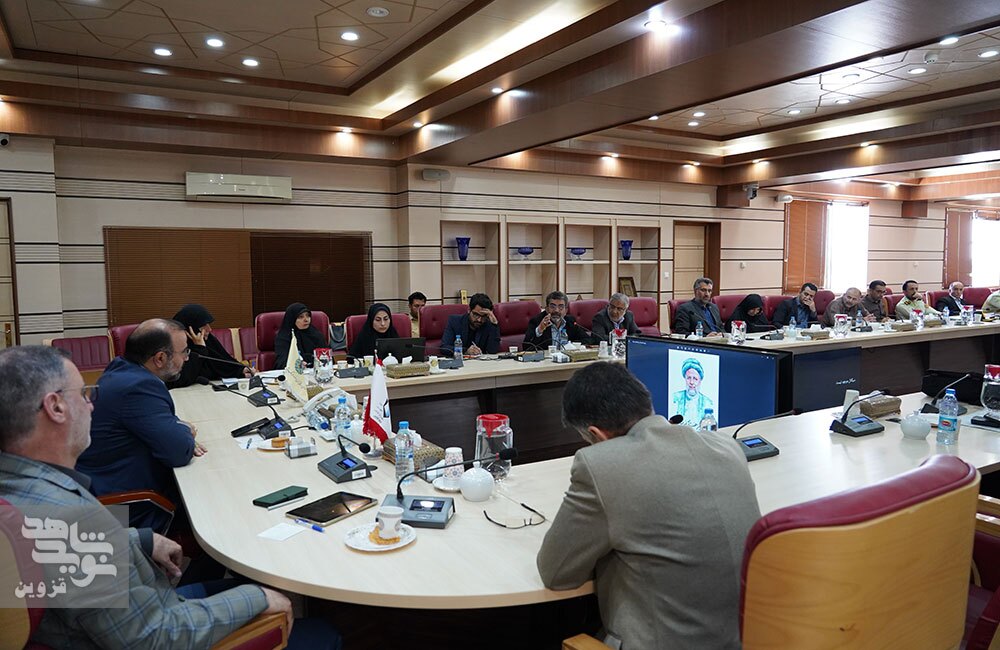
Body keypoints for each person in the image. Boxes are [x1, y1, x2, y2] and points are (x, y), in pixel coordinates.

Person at [0, 345, 339, 649]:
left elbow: (54, 546)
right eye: (85, 394)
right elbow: (154, 638)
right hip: (158, 622)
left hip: (123, 611)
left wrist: (139, 538)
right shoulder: (74, 516)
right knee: (323, 633)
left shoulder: (18, 487)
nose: (91, 405)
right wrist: (257, 597)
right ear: (56, 407)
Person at [537, 362, 760, 649]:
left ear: (597, 434)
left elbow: (556, 574)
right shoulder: (726, 446)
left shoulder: (601, 465)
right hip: (747, 638)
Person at [76, 319, 204, 531]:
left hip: (99, 488)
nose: (186, 358)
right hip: (129, 506)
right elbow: (179, 451)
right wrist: (184, 430)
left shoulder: (121, 369)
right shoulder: (139, 387)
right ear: (160, 358)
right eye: (184, 352)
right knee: (213, 504)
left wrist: (175, 427)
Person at [166, 304, 252, 389]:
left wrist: (241, 370)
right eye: (203, 326)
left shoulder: (209, 341)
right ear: (191, 328)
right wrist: (200, 348)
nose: (209, 329)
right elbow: (182, 379)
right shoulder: (175, 348)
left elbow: (222, 363)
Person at [524, 291, 592, 350]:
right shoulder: (537, 321)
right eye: (552, 307)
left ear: (566, 310)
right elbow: (526, 347)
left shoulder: (570, 321)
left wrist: (571, 346)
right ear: (547, 309)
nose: (556, 310)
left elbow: (588, 339)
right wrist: (540, 330)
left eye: (561, 307)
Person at [440, 292, 500, 357]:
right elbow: (444, 348)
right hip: (460, 361)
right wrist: (466, 351)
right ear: (469, 310)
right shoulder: (455, 321)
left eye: (483, 316)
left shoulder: (488, 324)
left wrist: (494, 324)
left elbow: (492, 351)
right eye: (476, 315)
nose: (479, 320)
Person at [273, 302, 326, 370]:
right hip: (294, 374)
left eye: (308, 316)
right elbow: (281, 362)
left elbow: (327, 358)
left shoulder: (316, 335)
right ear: (292, 319)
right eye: (301, 317)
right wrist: (297, 364)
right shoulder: (284, 337)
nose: (306, 320)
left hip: (316, 373)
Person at [671, 357, 715, 426]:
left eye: (695, 379)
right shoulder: (675, 398)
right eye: (689, 378)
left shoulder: (708, 402)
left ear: (700, 381)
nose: (691, 382)